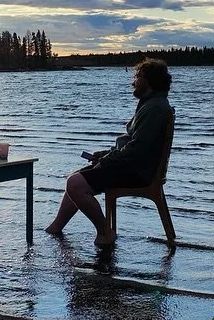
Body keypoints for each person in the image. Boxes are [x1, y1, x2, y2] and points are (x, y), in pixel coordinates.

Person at [44, 58, 173, 246]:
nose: (133, 81)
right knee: (76, 177)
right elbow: (132, 145)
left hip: (137, 173)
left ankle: (105, 232)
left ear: (148, 80)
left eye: (138, 77)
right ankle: (57, 226)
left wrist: (105, 161)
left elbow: (136, 150)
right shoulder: (152, 104)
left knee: (75, 184)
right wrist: (104, 155)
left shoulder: (154, 109)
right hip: (132, 167)